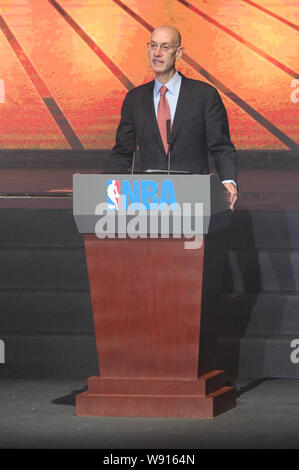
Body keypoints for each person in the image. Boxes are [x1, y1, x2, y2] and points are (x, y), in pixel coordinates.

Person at [105, 25, 238, 210]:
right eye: (153, 46)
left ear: (179, 53)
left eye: (165, 47)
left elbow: (221, 147)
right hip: (147, 201)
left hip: (194, 199)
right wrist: (105, 189)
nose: (157, 53)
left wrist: (228, 181)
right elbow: (122, 152)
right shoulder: (135, 99)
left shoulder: (204, 95)